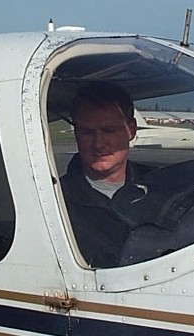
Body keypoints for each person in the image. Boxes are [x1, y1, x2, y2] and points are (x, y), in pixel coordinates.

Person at [60, 83, 152, 268]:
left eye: (109, 131)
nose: (99, 144)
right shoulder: (56, 199)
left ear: (131, 130)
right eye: (87, 132)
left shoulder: (161, 186)